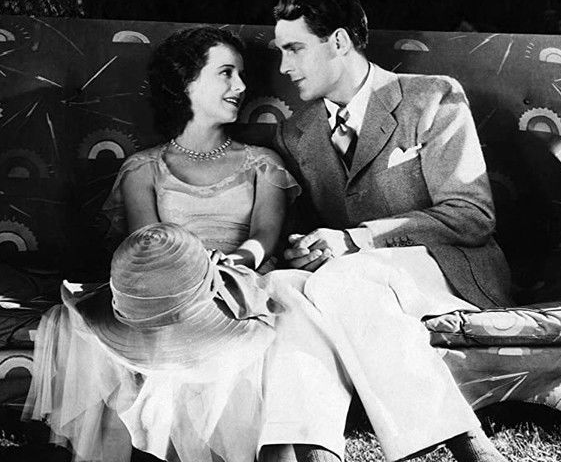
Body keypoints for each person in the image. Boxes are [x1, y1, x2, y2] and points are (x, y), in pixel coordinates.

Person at [24, 25, 508, 462]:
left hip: (248, 275)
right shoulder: (145, 167)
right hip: (168, 285)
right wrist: (192, 273)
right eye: (226, 74)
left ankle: (313, 450)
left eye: (243, 74)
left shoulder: (263, 161)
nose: (242, 86)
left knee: (289, 295)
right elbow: (147, 244)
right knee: (286, 297)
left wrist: (238, 261)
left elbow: (262, 238)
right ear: (185, 83)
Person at [272, 0, 514, 461]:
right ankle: (316, 452)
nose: (283, 66)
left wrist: (354, 240)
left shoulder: (432, 97)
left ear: (339, 41)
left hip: (451, 268)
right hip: (357, 282)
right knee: (284, 286)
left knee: (344, 278)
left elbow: (472, 215)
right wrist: (304, 248)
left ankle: (468, 447)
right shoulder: (296, 134)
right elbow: (315, 231)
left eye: (294, 48)